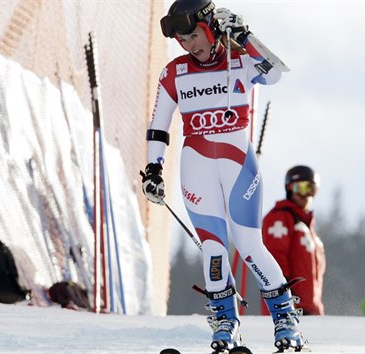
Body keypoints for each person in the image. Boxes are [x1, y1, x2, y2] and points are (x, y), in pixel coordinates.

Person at [140, 0, 305, 352]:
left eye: (194, 35)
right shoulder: (174, 73)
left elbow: (275, 73)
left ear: (212, 26)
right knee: (213, 249)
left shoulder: (241, 60)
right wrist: (153, 169)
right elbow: (158, 126)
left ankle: (285, 319)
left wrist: (245, 37)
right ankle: (226, 323)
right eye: (182, 40)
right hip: (195, 165)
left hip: (238, 166)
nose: (190, 45)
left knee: (248, 246)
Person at [260, 166, 326, 316]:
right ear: (290, 188)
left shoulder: (309, 229)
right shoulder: (280, 218)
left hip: (311, 310)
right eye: (300, 187)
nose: (305, 194)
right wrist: (284, 300)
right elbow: (275, 259)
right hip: (289, 309)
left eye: (310, 189)